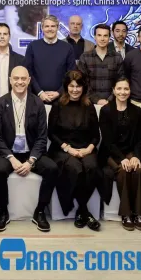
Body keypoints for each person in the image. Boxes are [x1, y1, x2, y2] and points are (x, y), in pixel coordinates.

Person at [0, 66, 58, 232]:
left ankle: (40, 211)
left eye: (23, 79)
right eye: (16, 78)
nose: (19, 82)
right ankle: (3, 211)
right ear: (10, 80)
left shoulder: (38, 103)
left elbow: (42, 137)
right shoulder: (0, 104)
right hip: (8, 153)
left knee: (52, 168)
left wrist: (31, 161)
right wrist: (11, 159)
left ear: (29, 81)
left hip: (31, 152)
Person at [48, 70, 101, 231]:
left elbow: (96, 135)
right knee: (75, 168)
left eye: (78, 86)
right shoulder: (58, 105)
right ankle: (84, 211)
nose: (75, 90)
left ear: (83, 87)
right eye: (71, 86)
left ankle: (81, 211)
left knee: (92, 167)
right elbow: (51, 133)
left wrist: (88, 149)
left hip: (85, 148)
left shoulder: (89, 106)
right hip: (62, 149)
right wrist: (69, 149)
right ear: (66, 87)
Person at [98, 78, 141, 231]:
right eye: (119, 89)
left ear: (130, 91)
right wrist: (122, 159)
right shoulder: (106, 111)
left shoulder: (137, 111)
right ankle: (126, 214)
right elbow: (108, 141)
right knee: (123, 170)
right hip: (111, 153)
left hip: (132, 152)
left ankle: (137, 214)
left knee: (139, 170)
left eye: (126, 89)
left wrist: (135, 156)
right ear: (113, 90)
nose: (122, 92)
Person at [24, 15, 76, 104]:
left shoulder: (68, 48)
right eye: (47, 26)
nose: (50, 29)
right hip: (36, 99)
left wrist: (59, 92)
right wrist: (39, 92)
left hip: (61, 99)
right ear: (42, 28)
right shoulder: (33, 46)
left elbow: (71, 74)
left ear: (57, 28)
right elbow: (28, 72)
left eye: (53, 26)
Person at [77, 23, 124, 106]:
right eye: (99, 35)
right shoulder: (85, 57)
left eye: (105, 36)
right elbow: (83, 82)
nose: (102, 39)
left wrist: (110, 100)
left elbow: (120, 81)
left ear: (109, 38)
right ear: (94, 37)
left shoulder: (117, 57)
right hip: (89, 104)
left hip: (112, 103)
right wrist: (96, 100)